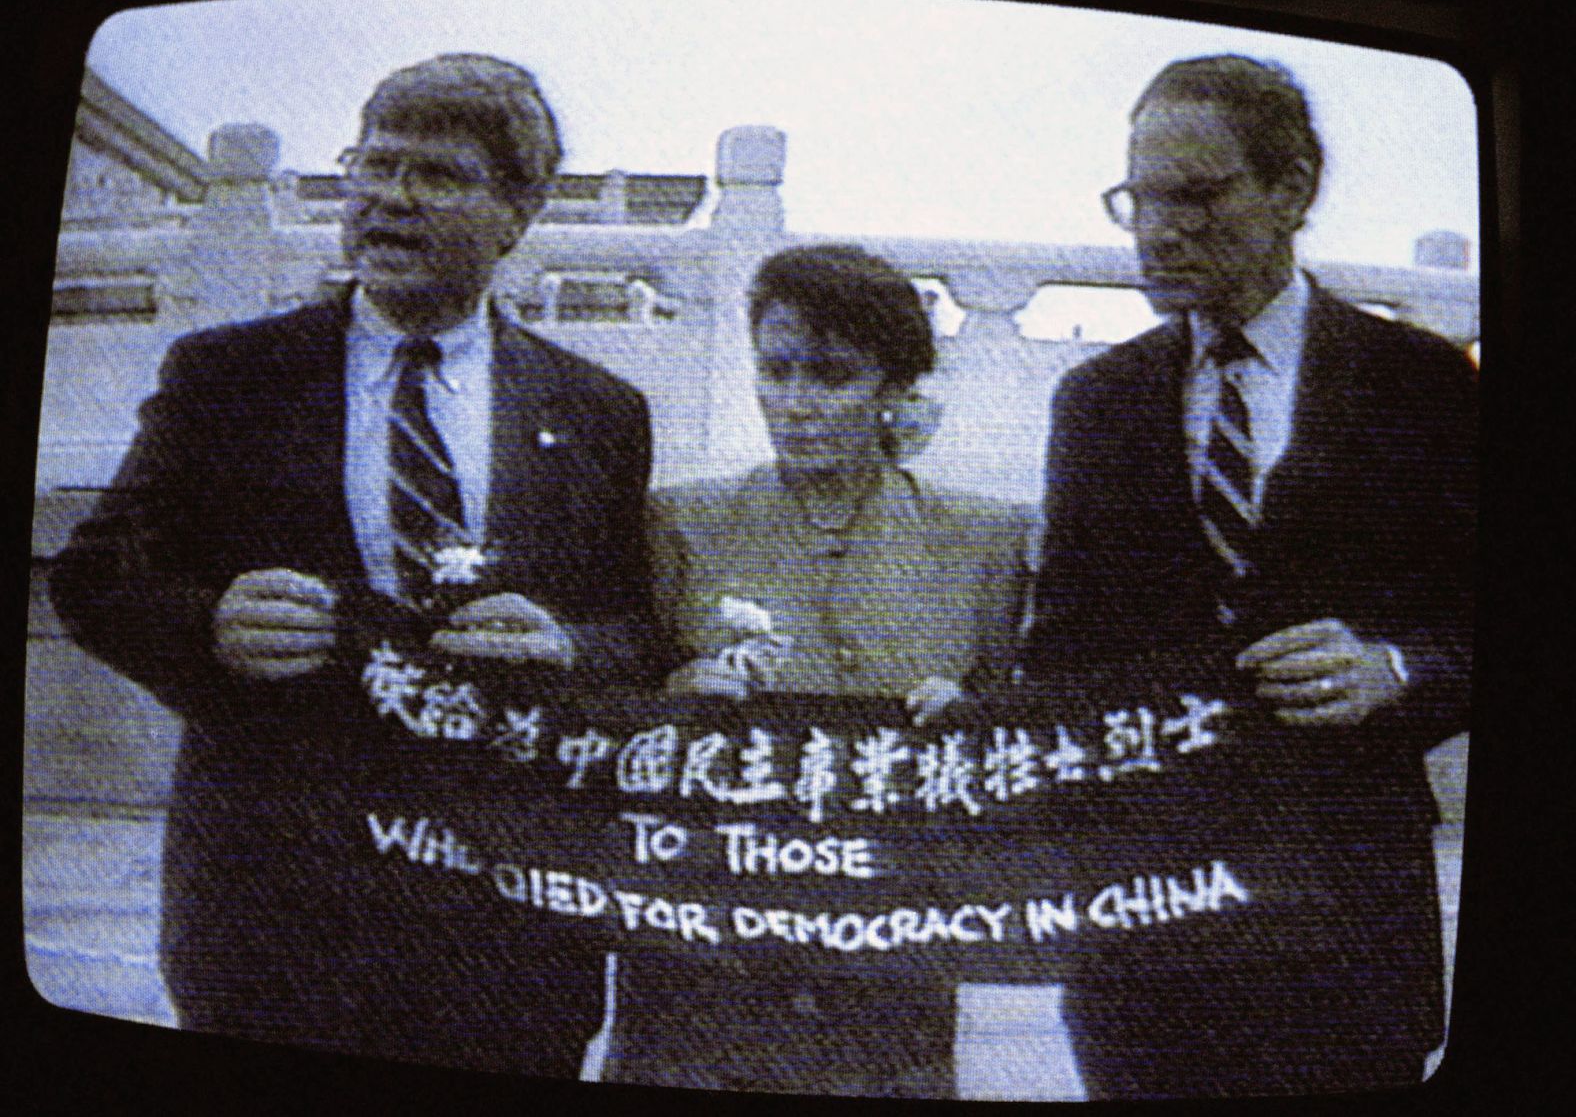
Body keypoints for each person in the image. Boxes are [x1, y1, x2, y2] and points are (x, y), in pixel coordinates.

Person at [49, 54, 654, 1075]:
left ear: (517, 212)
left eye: (439, 176)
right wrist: (208, 624)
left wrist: (566, 645)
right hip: (275, 912)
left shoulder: (597, 411)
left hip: (501, 924)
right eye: (375, 166)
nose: (390, 201)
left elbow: (638, 627)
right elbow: (92, 576)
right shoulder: (229, 376)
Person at [1018, 55, 1477, 1097]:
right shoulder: (1096, 402)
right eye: (1139, 198)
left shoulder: (1420, 383)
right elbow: (1065, 651)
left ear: (1292, 189)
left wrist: (1396, 671)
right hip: (1147, 940)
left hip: (1346, 931)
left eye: (1196, 195)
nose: (1156, 230)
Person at [608, 244, 1032, 1096]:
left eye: (833, 376)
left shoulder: (985, 541)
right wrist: (672, 701)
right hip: (703, 970)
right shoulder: (680, 524)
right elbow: (600, 727)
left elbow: (1022, 749)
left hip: (890, 972)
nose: (795, 404)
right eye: (777, 371)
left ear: (894, 389)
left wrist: (972, 723)